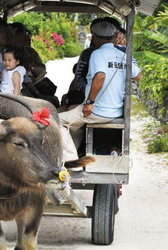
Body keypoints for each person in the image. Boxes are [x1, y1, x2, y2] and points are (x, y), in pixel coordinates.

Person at [58, 18, 142, 162]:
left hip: (97, 111)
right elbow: (138, 76)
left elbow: (100, 76)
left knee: (58, 121)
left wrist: (90, 102)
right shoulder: (123, 55)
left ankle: (71, 161)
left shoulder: (96, 54)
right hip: (115, 110)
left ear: (95, 37)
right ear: (113, 37)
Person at [60, 17, 122, 110]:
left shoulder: (122, 53)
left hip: (110, 102)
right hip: (87, 96)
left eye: (117, 33)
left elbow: (100, 77)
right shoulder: (88, 53)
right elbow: (79, 75)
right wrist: (86, 91)